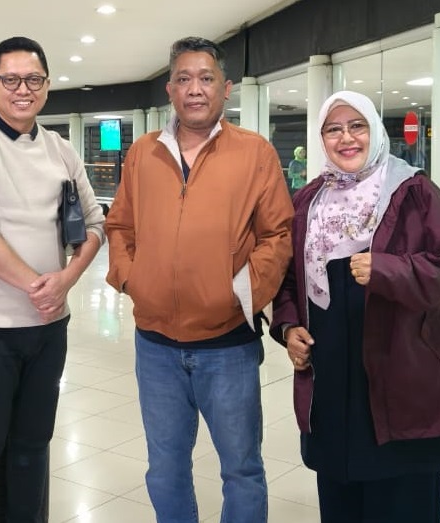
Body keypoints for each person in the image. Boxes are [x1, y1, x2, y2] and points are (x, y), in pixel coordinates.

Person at [105, 37, 293, 523]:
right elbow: (120, 225)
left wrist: (241, 294)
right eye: (184, 79)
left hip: (228, 346)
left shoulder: (255, 153)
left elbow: (277, 235)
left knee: (242, 470)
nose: (195, 89)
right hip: (156, 346)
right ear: (170, 89)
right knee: (165, 469)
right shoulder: (143, 153)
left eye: (206, 78)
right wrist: (132, 280)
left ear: (225, 88)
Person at [271, 91, 440, 523]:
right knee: (341, 503)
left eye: (357, 126)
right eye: (333, 129)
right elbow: (289, 279)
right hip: (332, 381)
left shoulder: (413, 191)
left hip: (401, 377)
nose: (346, 138)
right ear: (322, 139)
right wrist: (289, 327)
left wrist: (387, 269)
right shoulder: (309, 201)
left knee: (402, 504)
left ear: (375, 131)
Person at [0, 36, 105, 522]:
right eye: (10, 79)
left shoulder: (60, 149)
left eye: (33, 79)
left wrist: (66, 281)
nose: (22, 89)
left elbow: (95, 224)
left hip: (48, 329)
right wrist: (40, 285)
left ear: (47, 86)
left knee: (33, 446)